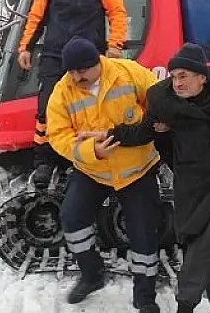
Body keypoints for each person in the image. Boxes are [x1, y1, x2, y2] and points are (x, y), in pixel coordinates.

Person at [78, 43, 210, 313]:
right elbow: (140, 132)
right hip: (194, 185)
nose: (177, 82)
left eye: (183, 75)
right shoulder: (164, 102)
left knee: (206, 246)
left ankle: (185, 303)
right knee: (203, 245)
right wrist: (107, 135)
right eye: (173, 76)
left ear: (202, 77)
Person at [46, 37, 162, 313]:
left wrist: (152, 126)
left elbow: (159, 100)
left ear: (98, 62)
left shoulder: (129, 72)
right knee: (72, 218)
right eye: (72, 71)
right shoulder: (62, 92)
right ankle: (92, 273)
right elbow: (58, 136)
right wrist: (91, 150)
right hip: (93, 170)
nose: (77, 76)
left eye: (83, 70)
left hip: (137, 169)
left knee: (143, 232)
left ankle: (144, 297)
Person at [17, 0, 128, 185]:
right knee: (46, 109)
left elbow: (118, 13)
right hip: (55, 55)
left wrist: (115, 46)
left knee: (87, 111)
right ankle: (44, 161)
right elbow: (36, 17)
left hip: (89, 58)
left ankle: (80, 159)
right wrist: (24, 48)